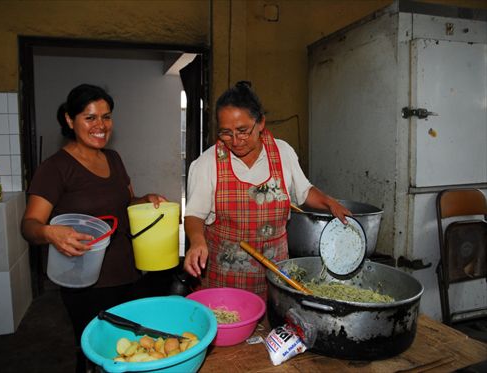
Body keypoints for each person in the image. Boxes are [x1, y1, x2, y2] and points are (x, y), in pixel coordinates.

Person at [21, 83, 166, 373]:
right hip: (85, 282)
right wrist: (50, 232)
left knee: (132, 350)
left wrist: (145, 200)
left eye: (106, 116)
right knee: (96, 354)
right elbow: (29, 225)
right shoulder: (56, 167)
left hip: (127, 271)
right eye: (90, 117)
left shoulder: (113, 158)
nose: (101, 125)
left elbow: (127, 201)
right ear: (69, 120)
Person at [183, 81, 351, 297]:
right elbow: (194, 214)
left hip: (275, 277)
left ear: (261, 122)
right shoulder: (207, 163)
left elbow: (304, 191)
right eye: (226, 133)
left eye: (243, 131)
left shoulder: (282, 153)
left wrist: (330, 203)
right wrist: (197, 241)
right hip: (224, 281)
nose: (235, 141)